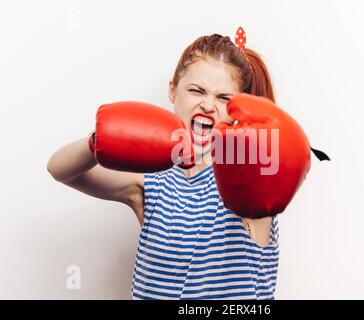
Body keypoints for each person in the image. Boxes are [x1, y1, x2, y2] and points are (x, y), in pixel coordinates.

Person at [47, 28, 279, 299]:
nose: (208, 105)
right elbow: (59, 169)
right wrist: (100, 139)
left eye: (224, 98)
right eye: (197, 90)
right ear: (172, 90)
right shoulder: (152, 179)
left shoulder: (246, 176)